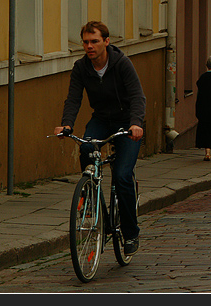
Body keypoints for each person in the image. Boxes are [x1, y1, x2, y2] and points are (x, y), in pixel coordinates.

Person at [54, 21, 145, 257]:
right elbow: (73, 98)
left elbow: (137, 96)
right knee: (85, 148)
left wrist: (136, 123)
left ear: (106, 41)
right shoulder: (81, 67)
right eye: (85, 42)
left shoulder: (122, 64)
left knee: (122, 176)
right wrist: (67, 123)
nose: (89, 46)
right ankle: (90, 195)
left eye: (94, 41)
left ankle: (131, 232)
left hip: (127, 122)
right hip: (102, 119)